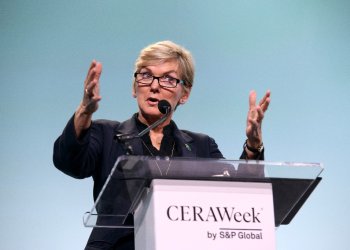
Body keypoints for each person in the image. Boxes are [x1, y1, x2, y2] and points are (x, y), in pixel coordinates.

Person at [53, 40, 270, 250]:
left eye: (168, 79)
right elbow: (69, 162)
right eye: (146, 75)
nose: (154, 86)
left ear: (184, 94)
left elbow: (240, 196)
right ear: (134, 86)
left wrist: (253, 145)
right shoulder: (107, 134)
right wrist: (84, 111)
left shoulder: (203, 146)